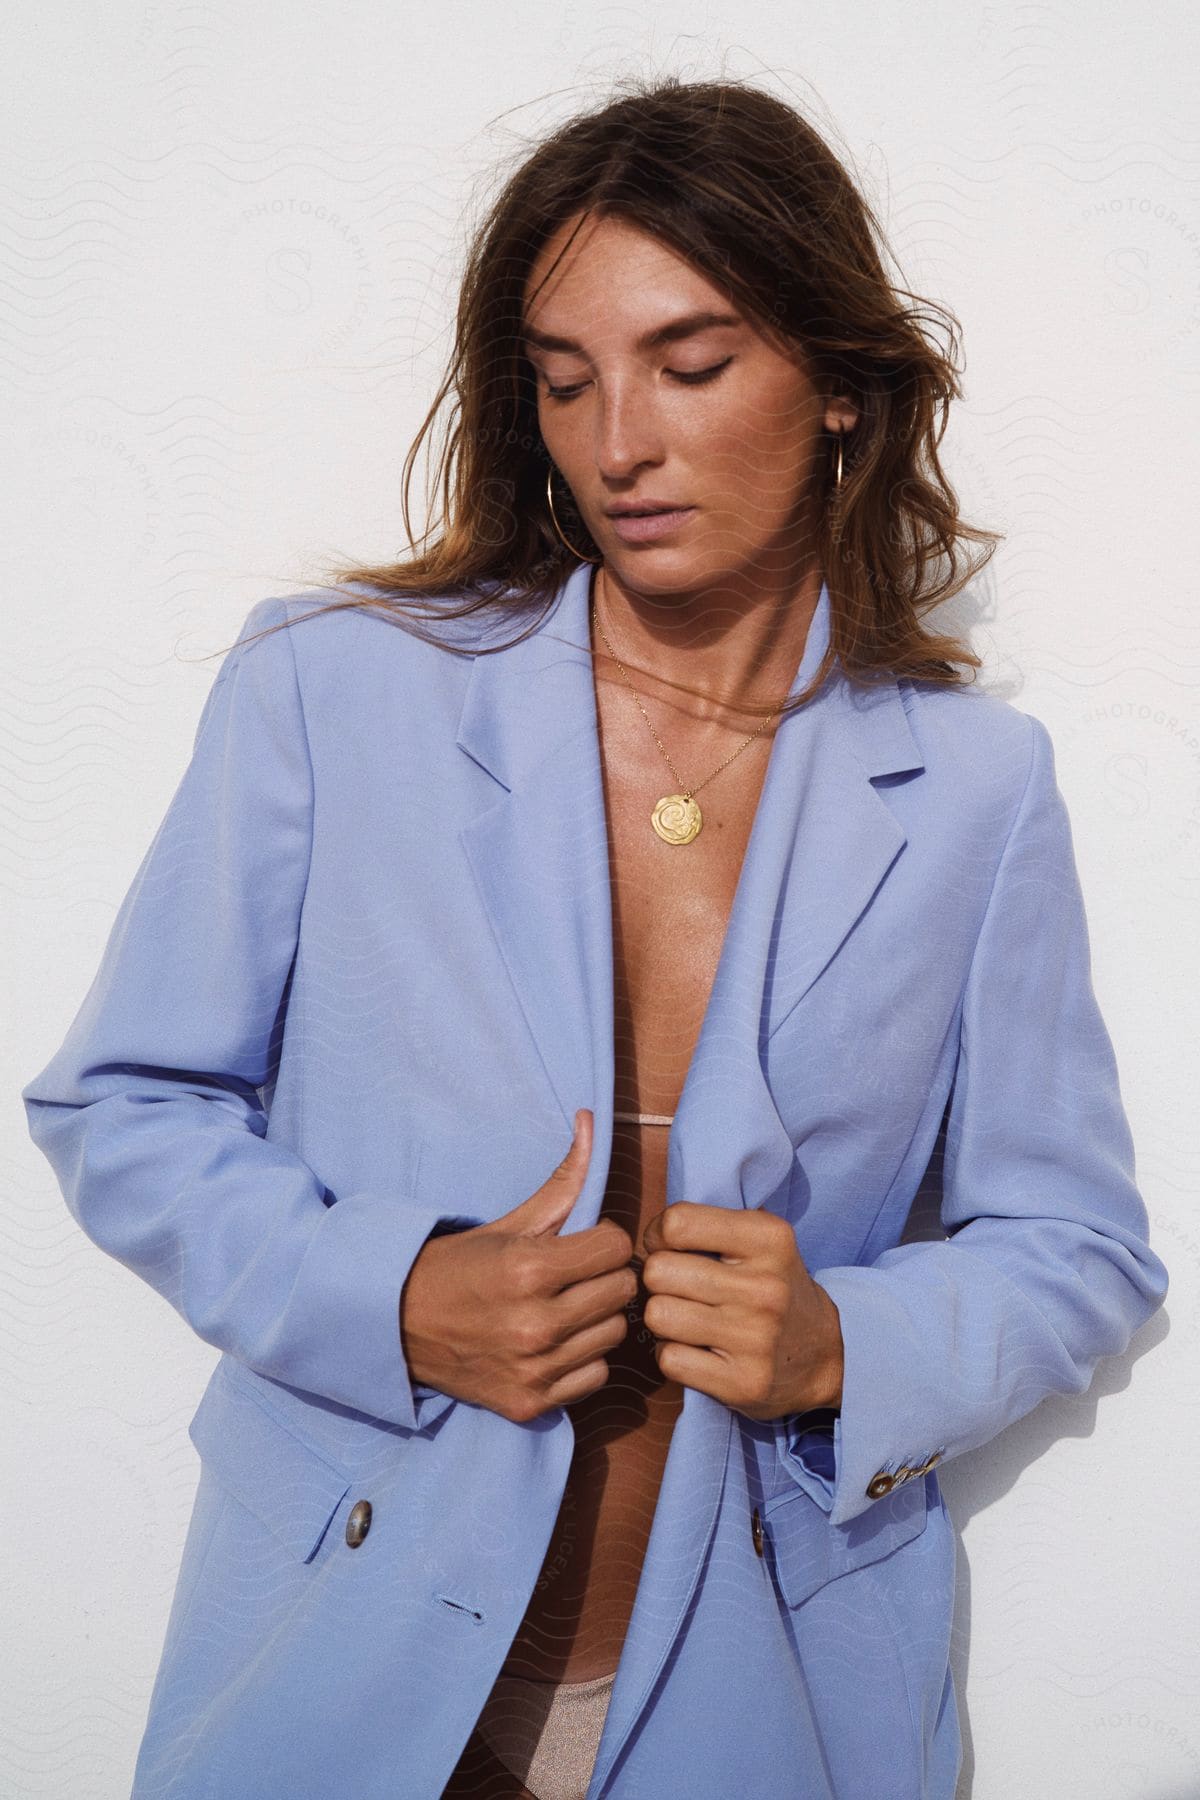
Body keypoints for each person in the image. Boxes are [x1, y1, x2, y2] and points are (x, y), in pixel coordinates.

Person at [21, 77, 1168, 1800]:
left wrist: (851, 1343)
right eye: (565, 380)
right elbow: (124, 1106)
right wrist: (394, 1293)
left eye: (689, 366)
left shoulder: (975, 791)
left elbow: (1074, 1240)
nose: (618, 440)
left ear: (841, 391)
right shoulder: (336, 694)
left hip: (765, 1689)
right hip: (346, 1635)